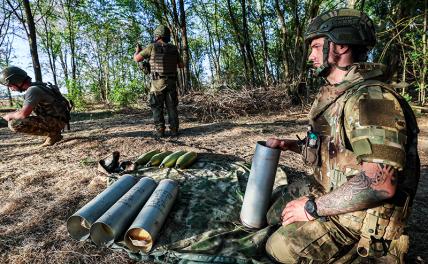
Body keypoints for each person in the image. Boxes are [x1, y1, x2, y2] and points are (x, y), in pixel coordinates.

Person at [264, 8, 420, 263]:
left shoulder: (371, 99)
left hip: (361, 219)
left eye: (315, 46)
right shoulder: (341, 94)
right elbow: (339, 151)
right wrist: (293, 146)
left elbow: (380, 184)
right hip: (331, 190)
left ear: (340, 46)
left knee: (280, 247)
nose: (311, 56)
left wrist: (312, 208)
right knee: (272, 211)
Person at [0, 66, 72, 146]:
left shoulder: (33, 90)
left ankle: (53, 134)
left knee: (15, 123)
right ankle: (54, 134)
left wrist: (9, 115)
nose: (11, 89)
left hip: (56, 122)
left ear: (16, 81)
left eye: (10, 86)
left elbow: (23, 114)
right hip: (58, 120)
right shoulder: (38, 86)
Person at [134, 25, 184, 138]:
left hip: (157, 83)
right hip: (171, 82)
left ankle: (160, 130)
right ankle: (174, 130)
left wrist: (137, 52)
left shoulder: (152, 47)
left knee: (157, 107)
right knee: (172, 107)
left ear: (157, 36)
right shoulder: (174, 48)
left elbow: (137, 59)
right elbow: (181, 65)